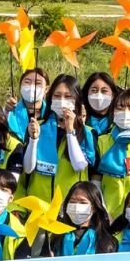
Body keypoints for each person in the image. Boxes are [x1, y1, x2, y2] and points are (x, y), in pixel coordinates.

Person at [16, 74, 93, 203]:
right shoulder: (38, 127)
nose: (62, 101)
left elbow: (79, 166)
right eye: (57, 96)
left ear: (77, 100)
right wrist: (34, 140)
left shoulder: (86, 133)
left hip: (70, 206)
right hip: (39, 205)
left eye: (68, 96)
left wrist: (70, 131)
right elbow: (28, 168)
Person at [94, 89, 130, 220]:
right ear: (113, 112)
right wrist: (103, 211)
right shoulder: (100, 142)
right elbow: (95, 181)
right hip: (110, 215)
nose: (126, 112)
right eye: (120, 108)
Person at [80, 71, 117, 137]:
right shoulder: (79, 118)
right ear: (87, 92)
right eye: (94, 91)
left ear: (112, 96)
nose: (99, 96)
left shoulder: (119, 120)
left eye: (104, 91)